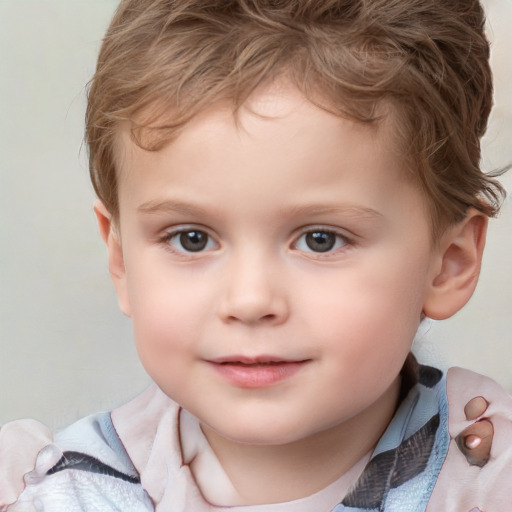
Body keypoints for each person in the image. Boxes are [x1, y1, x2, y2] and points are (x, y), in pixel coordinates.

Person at [1, 0, 510, 510]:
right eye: (191, 238)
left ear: (449, 261)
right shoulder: (52, 491)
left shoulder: (487, 481)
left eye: (320, 239)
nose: (249, 300)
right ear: (122, 261)